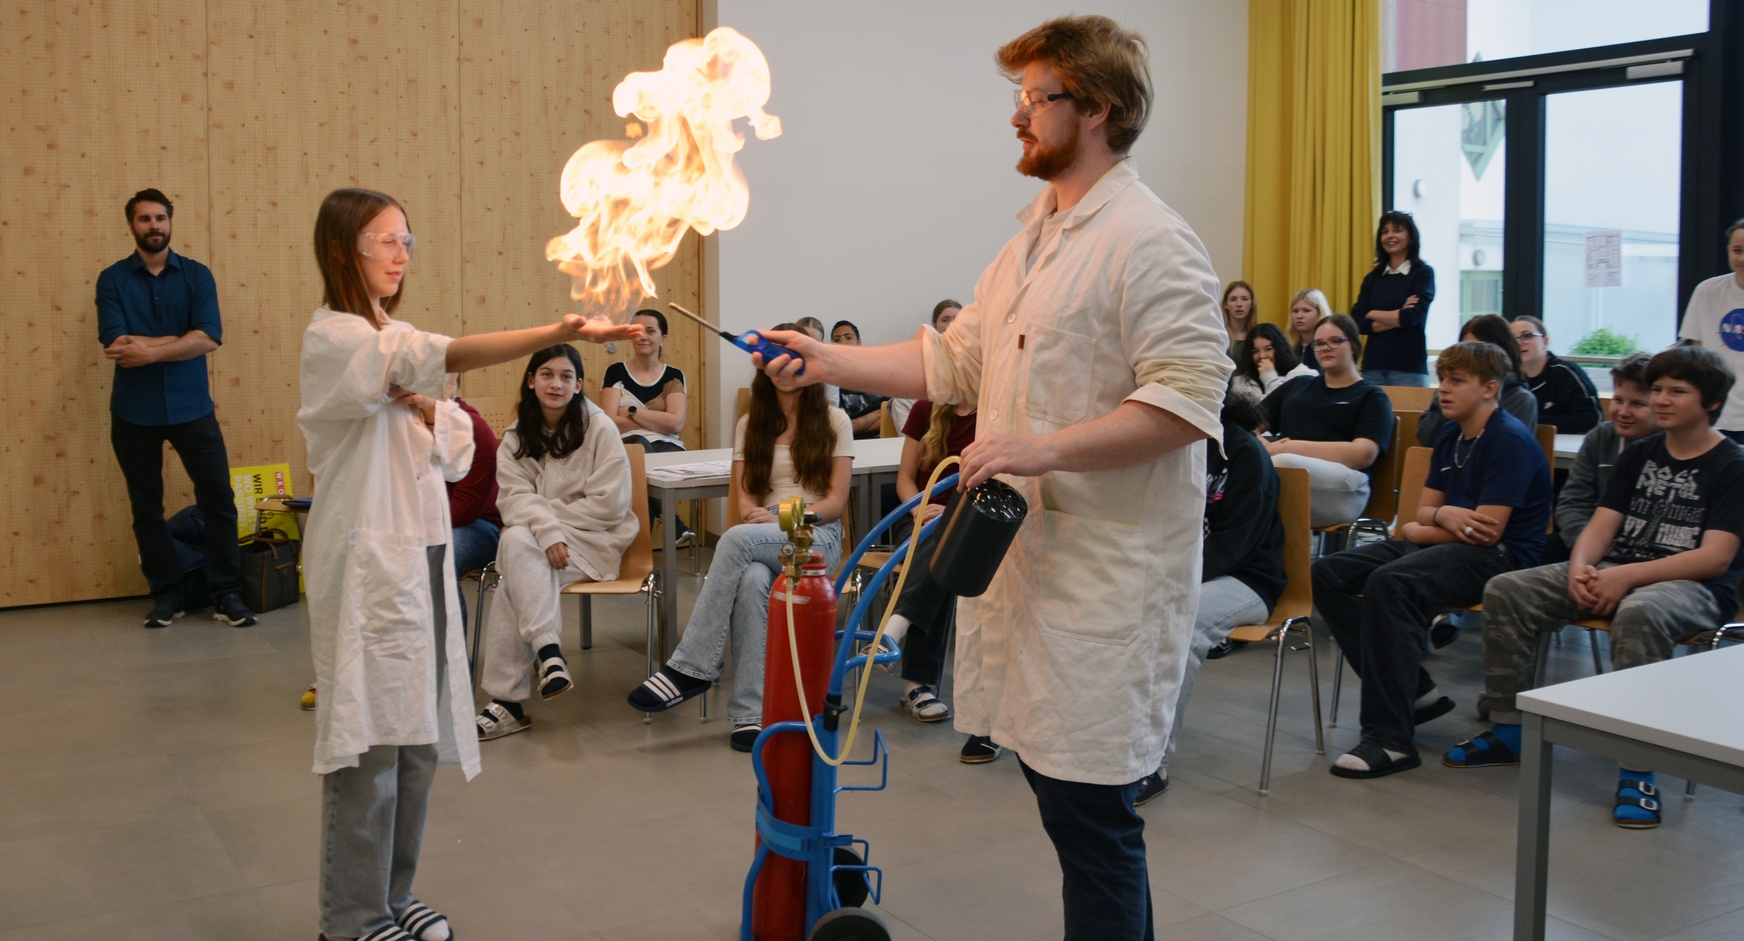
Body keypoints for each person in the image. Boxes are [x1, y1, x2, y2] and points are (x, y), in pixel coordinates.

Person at [750, 17, 1231, 940]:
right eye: (1016, 98)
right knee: (1067, 803)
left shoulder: (1149, 239)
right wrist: (824, 363)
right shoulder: (1030, 243)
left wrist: (1035, 447)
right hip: (1036, 572)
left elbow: (1185, 405)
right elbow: (952, 361)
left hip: (1106, 579)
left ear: (1096, 107)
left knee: (1095, 820)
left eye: (1035, 98)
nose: (1017, 118)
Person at [296, 186, 637, 941]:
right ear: (340, 249)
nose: (399, 253)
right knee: (368, 743)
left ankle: (395, 894)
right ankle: (350, 917)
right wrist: (554, 330)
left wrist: (429, 407)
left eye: (407, 240)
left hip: (420, 556)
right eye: (384, 239)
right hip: (365, 564)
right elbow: (439, 360)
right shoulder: (337, 338)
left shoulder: (396, 338)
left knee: (416, 738)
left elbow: (457, 446)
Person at [1444, 347, 1744, 830]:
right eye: (1659, 390)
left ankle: (1637, 769)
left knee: (1639, 614)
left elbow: (1716, 557)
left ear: (1710, 403)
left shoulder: (1732, 463)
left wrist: (1622, 576)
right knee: (1506, 589)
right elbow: (1602, 524)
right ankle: (1508, 728)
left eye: (1676, 392)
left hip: (1693, 586)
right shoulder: (1640, 452)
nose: (1661, 400)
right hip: (1614, 567)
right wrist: (1584, 566)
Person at [1313, 341, 1552, 779]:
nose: (1443, 389)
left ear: (1489, 388)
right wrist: (1443, 516)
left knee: (1391, 581)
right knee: (1327, 573)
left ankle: (1391, 738)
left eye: (1457, 381)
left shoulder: (1508, 440)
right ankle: (1416, 692)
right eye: (1442, 379)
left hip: (1499, 558)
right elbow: (1416, 521)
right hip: (1443, 545)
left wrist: (1431, 523)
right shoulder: (1451, 435)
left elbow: (1487, 532)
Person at [627, 335, 854, 751]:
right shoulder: (751, 424)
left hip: (817, 535)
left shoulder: (835, 420)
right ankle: (751, 716)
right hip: (762, 534)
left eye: (795, 362)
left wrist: (784, 516)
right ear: (764, 368)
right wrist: (759, 514)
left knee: (735, 542)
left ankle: (691, 666)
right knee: (749, 580)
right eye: (776, 362)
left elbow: (836, 503)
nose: (785, 371)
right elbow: (745, 495)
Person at [96, 188, 256, 629]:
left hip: (192, 407)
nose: (154, 226)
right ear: (132, 225)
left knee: (219, 501)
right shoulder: (112, 280)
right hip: (133, 412)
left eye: (160, 218)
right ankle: (167, 594)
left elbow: (209, 337)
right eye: (145, 219)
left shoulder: (197, 276)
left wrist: (147, 349)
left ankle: (227, 593)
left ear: (171, 222)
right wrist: (177, 341)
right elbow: (116, 343)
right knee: (145, 506)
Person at [475, 346, 636, 741]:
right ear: (531, 380)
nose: (556, 383)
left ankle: (509, 702)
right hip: (539, 544)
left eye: (566, 376)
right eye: (546, 374)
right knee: (517, 545)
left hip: (595, 541)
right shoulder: (516, 436)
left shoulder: (600, 428)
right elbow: (510, 501)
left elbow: (610, 506)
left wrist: (544, 525)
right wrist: (545, 531)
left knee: (515, 554)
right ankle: (549, 655)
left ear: (579, 385)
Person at [1133, 395, 1284, 804]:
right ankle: (1116, 743)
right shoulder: (1173, 447)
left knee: (1185, 623)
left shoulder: (1245, 454)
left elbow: (1236, 545)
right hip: (1181, 573)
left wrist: (1172, 581)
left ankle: (1152, 763)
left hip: (1247, 578)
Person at [880, 394, 978, 733]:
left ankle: (896, 628)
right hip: (918, 517)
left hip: (970, 520)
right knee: (939, 549)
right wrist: (921, 510)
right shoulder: (924, 409)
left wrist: (951, 514)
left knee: (946, 543)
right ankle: (917, 685)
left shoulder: (994, 413)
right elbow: (905, 480)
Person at [1260, 314, 1395, 528]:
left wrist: (1290, 448)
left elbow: (1363, 454)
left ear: (1353, 346)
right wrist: (1263, 444)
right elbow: (1245, 423)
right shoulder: (1298, 386)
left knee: (1283, 466)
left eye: (1335, 341)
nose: (1325, 348)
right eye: (1319, 343)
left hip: (1347, 485)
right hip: (1285, 466)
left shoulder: (1371, 396)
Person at [1542, 353, 1655, 565]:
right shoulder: (1602, 437)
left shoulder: (1671, 447)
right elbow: (1572, 502)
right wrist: (1588, 545)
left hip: (1644, 554)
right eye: (1618, 400)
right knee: (1534, 553)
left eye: (1637, 404)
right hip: (1592, 541)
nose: (1623, 412)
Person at [599, 308, 693, 546]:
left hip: (667, 448)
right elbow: (608, 422)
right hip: (625, 449)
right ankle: (671, 523)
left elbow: (676, 423)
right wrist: (657, 418)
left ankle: (640, 563)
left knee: (641, 481)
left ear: (663, 338)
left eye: (650, 331)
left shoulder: (673, 375)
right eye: (637, 331)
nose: (642, 336)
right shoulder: (616, 372)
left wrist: (631, 412)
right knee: (638, 446)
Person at [1416, 314, 1538, 446]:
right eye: (1463, 349)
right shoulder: (1447, 388)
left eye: (1476, 351)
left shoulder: (1520, 398)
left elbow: (1502, 449)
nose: (1466, 358)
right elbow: (1428, 438)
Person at [1676, 219, 1744, 441]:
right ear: (1728, 251)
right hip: (1717, 414)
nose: (1741, 258)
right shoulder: (1707, 291)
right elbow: (1698, 357)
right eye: (1737, 250)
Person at [1350, 210, 1436, 387]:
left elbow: (1411, 317)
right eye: (1385, 231)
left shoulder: (1422, 273)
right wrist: (1397, 315)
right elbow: (1357, 322)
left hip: (1409, 368)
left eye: (1397, 230)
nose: (1390, 236)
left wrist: (1372, 312)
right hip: (1373, 366)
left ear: (1411, 237)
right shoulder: (1373, 277)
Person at [448, 395, 503, 626]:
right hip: (431, 521)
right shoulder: (401, 425)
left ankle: (452, 662)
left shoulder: (472, 429)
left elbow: (465, 509)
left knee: (439, 556)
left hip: (483, 525)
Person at [1513, 315, 1602, 434]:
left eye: (1527, 336)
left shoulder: (1567, 373)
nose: (1519, 343)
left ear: (1545, 341)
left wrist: (1533, 421)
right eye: (1512, 339)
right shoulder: (1509, 379)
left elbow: (1591, 418)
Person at [889, 300, 961, 431]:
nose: (951, 325)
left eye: (957, 319)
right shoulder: (921, 357)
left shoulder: (977, 361)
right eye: (945, 320)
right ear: (934, 326)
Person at [830, 320, 889, 438]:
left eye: (848, 338)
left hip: (884, 442)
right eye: (837, 340)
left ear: (859, 342)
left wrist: (856, 425)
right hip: (846, 445)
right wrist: (880, 412)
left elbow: (894, 415)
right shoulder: (830, 383)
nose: (843, 343)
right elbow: (837, 428)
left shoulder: (879, 375)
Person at [1230, 323, 1312, 404]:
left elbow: (1285, 406)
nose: (1262, 356)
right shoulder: (1241, 383)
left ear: (1280, 349)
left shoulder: (1300, 375)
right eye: (1255, 351)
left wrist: (1269, 376)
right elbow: (1259, 412)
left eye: (1268, 349)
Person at [1286, 288, 1332, 371]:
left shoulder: (1329, 348)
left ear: (1320, 313)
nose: (1299, 316)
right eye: (1295, 311)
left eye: (1306, 310)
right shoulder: (1287, 348)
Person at [1221, 280, 1256, 360]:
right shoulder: (1219, 334)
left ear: (1252, 304)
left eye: (1244, 299)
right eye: (1233, 299)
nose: (1239, 304)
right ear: (1225, 304)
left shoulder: (1258, 335)